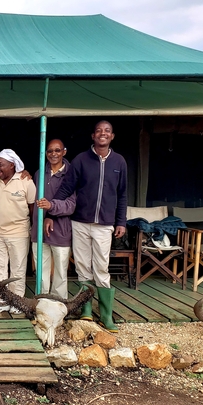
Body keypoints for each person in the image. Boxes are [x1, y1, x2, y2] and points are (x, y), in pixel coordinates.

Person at [53, 120, 128, 332]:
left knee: (102, 267)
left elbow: (122, 194)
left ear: (112, 136)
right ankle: (86, 310)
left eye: (107, 131)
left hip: (105, 224)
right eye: (99, 131)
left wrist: (121, 221)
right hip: (80, 222)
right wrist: (52, 211)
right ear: (93, 136)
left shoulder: (119, 162)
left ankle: (106, 315)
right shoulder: (81, 160)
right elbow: (66, 188)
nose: (102, 134)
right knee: (83, 266)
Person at [0, 149, 36, 314]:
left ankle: (16, 302)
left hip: (19, 231)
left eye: (1, 164)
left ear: (12, 165)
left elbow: (32, 207)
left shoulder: (26, 181)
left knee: (18, 268)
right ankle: (1, 301)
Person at [32, 139, 76, 299]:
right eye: (50, 151)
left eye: (57, 150)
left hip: (61, 230)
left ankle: (59, 306)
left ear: (64, 151)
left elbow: (71, 205)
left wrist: (51, 206)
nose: (53, 154)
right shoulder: (39, 173)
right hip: (39, 231)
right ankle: (42, 303)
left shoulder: (71, 173)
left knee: (60, 274)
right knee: (41, 273)